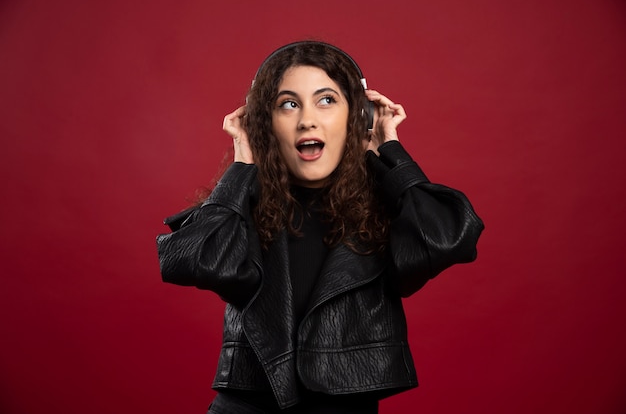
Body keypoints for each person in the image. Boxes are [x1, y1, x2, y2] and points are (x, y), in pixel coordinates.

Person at [156, 40, 484, 414]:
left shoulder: (387, 205)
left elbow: (448, 237)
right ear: (266, 123)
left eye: (326, 100)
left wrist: (389, 149)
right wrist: (244, 160)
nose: (307, 119)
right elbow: (193, 259)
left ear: (356, 117)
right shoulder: (242, 206)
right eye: (288, 104)